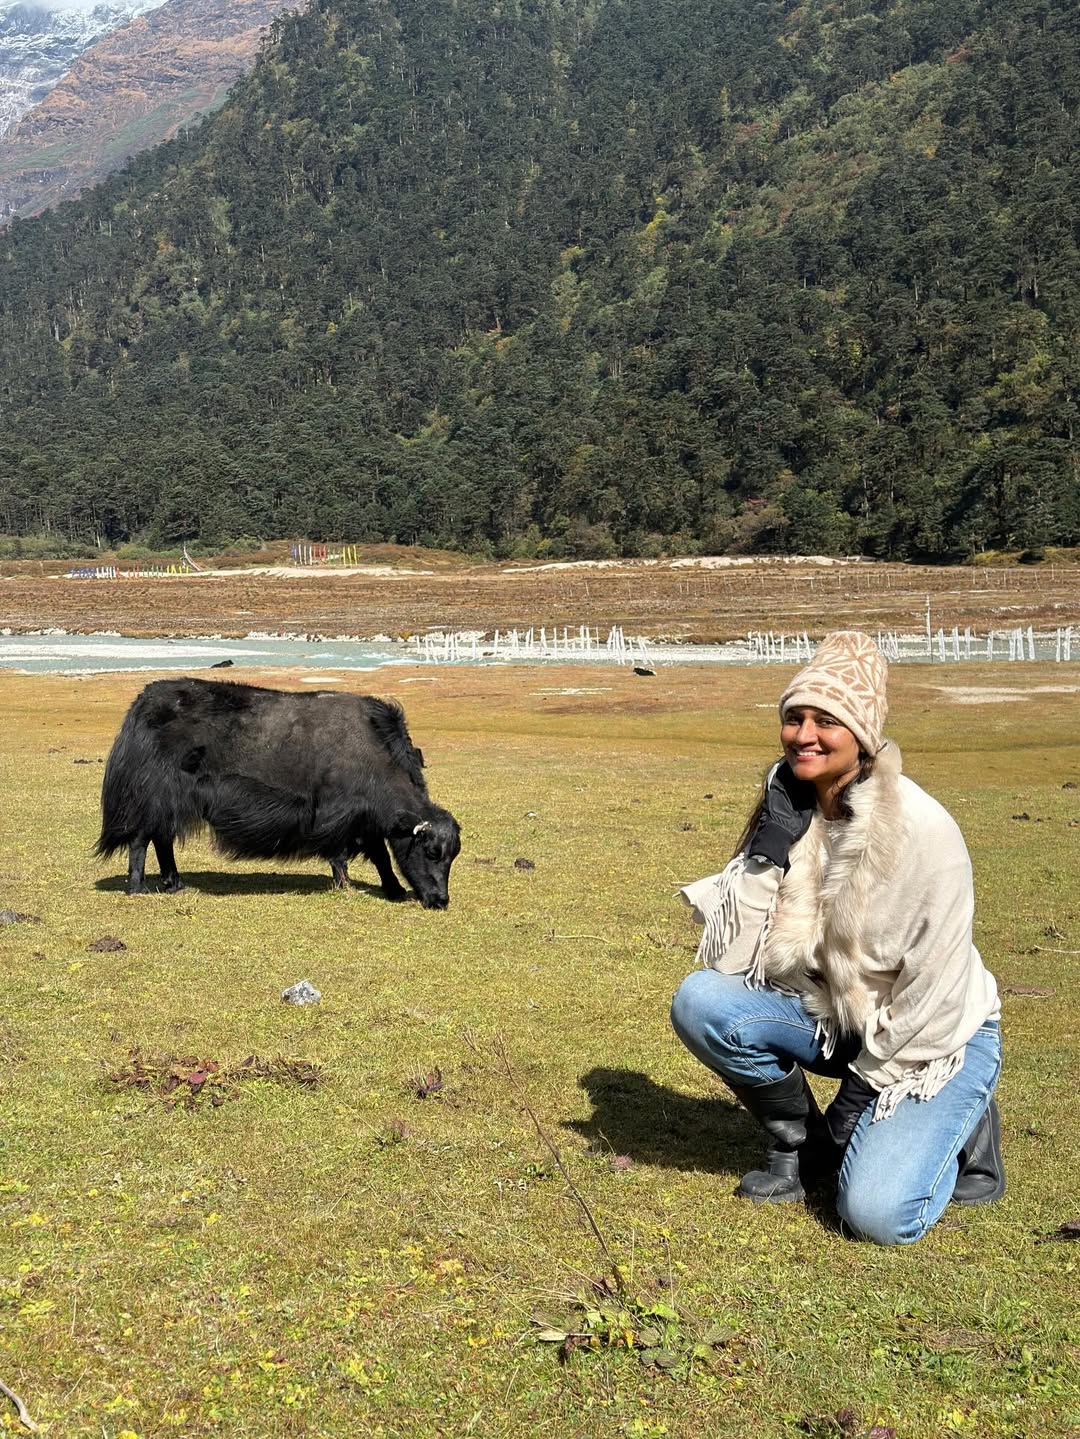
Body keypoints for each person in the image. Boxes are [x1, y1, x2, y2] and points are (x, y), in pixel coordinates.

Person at [670, 630, 1004, 1245]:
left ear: (863, 736)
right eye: (793, 718)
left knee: (875, 1216)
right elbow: (737, 962)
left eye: (826, 721)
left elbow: (932, 992)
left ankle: (969, 1117)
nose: (804, 736)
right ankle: (806, 1148)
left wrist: (858, 1095)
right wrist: (767, 852)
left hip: (929, 1034)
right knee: (701, 1001)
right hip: (835, 1015)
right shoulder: (791, 810)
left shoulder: (924, 832)